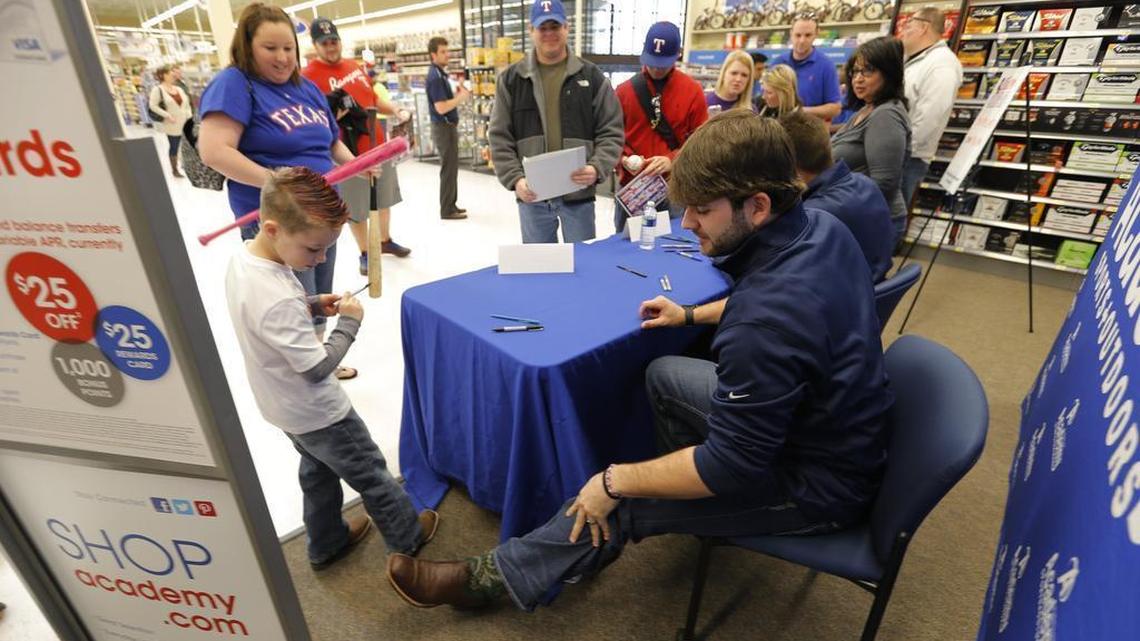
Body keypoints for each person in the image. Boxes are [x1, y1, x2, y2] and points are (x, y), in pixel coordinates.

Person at [385, 112, 893, 611]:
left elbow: (733, 461)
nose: (688, 223)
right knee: (663, 372)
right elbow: (774, 303)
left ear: (758, 206)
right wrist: (690, 312)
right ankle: (657, 503)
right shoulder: (820, 227)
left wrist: (616, 480)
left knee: (623, 498)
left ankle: (496, 577)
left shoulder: (764, 326)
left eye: (701, 209)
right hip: (832, 421)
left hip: (817, 483)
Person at [225, 167, 439, 570]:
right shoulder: (277, 297)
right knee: (371, 472)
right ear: (272, 228)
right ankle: (407, 539)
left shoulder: (244, 260)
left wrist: (309, 303)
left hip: (282, 409)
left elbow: (269, 316)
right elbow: (316, 367)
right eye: (313, 249)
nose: (322, 258)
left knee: (317, 473)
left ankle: (325, 541)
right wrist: (349, 324)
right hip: (321, 413)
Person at [199, 3, 362, 379]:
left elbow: (330, 143)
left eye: (288, 47)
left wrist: (357, 165)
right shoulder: (235, 84)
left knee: (321, 287)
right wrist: (278, 184)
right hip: (278, 217)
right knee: (292, 296)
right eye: (270, 48)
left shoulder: (305, 88)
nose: (282, 57)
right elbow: (214, 151)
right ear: (247, 46)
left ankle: (319, 351)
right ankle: (301, 363)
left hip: (322, 208)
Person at [489, 0, 623, 244]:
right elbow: (499, 137)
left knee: (581, 267)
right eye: (543, 28)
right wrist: (515, 180)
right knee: (540, 270)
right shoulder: (511, 79)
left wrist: (596, 167)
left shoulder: (591, 76)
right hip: (533, 197)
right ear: (531, 31)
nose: (549, 33)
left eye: (555, 26)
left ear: (567, 28)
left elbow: (611, 131)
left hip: (578, 195)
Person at [302, 17, 413, 272]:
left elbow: (372, 99)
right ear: (315, 45)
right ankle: (365, 251)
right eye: (324, 43)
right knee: (355, 205)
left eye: (334, 41)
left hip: (377, 144)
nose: (330, 47)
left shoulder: (354, 66)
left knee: (384, 196)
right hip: (345, 150)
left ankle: (385, 241)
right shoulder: (307, 77)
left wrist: (394, 108)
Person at [613, 21, 708, 231]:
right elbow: (611, 137)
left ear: (678, 55)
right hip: (633, 188)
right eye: (652, 61)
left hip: (674, 188)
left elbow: (702, 143)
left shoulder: (692, 91)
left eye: (662, 63)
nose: (656, 68)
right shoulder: (623, 91)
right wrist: (623, 159)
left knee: (671, 244)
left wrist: (672, 161)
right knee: (623, 247)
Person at [780, 110, 894, 282]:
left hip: (837, 301)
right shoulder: (866, 184)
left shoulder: (813, 216)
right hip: (870, 288)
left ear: (787, 163)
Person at [831, 36, 912, 246]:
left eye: (868, 71)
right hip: (857, 217)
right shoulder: (868, 108)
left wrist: (833, 206)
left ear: (888, 73)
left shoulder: (886, 115)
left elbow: (883, 184)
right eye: (855, 71)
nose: (858, 79)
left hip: (872, 222)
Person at [898, 7, 963, 205]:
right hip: (897, 153)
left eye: (909, 25)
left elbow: (930, 117)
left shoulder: (941, 64)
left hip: (908, 158)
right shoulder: (918, 59)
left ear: (924, 28)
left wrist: (902, 150)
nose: (903, 31)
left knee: (888, 220)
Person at [426, 35, 469, 220]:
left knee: (451, 168)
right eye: (442, 52)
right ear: (433, 55)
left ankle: (451, 204)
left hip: (447, 127)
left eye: (447, 51)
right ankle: (447, 210)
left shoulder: (441, 74)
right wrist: (461, 97)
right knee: (448, 169)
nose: (447, 55)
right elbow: (441, 107)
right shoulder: (435, 77)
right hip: (443, 128)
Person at [770, 15, 842, 121]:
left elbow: (835, 108)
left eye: (808, 35)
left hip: (812, 132)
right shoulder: (778, 63)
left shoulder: (826, 66)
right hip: (779, 129)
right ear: (791, 33)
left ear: (816, 34)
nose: (802, 40)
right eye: (798, 35)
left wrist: (800, 112)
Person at [149, 65, 192, 178]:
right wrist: (167, 115)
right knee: (174, 145)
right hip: (172, 124)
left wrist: (189, 116)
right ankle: (175, 169)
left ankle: (187, 166)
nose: (173, 75)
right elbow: (153, 106)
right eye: (169, 73)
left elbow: (186, 104)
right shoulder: (158, 90)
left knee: (187, 145)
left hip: (185, 122)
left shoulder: (179, 89)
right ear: (162, 75)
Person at [705, 50, 754, 114]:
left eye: (744, 75)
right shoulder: (704, 102)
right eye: (734, 73)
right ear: (723, 73)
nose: (738, 79)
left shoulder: (751, 111)